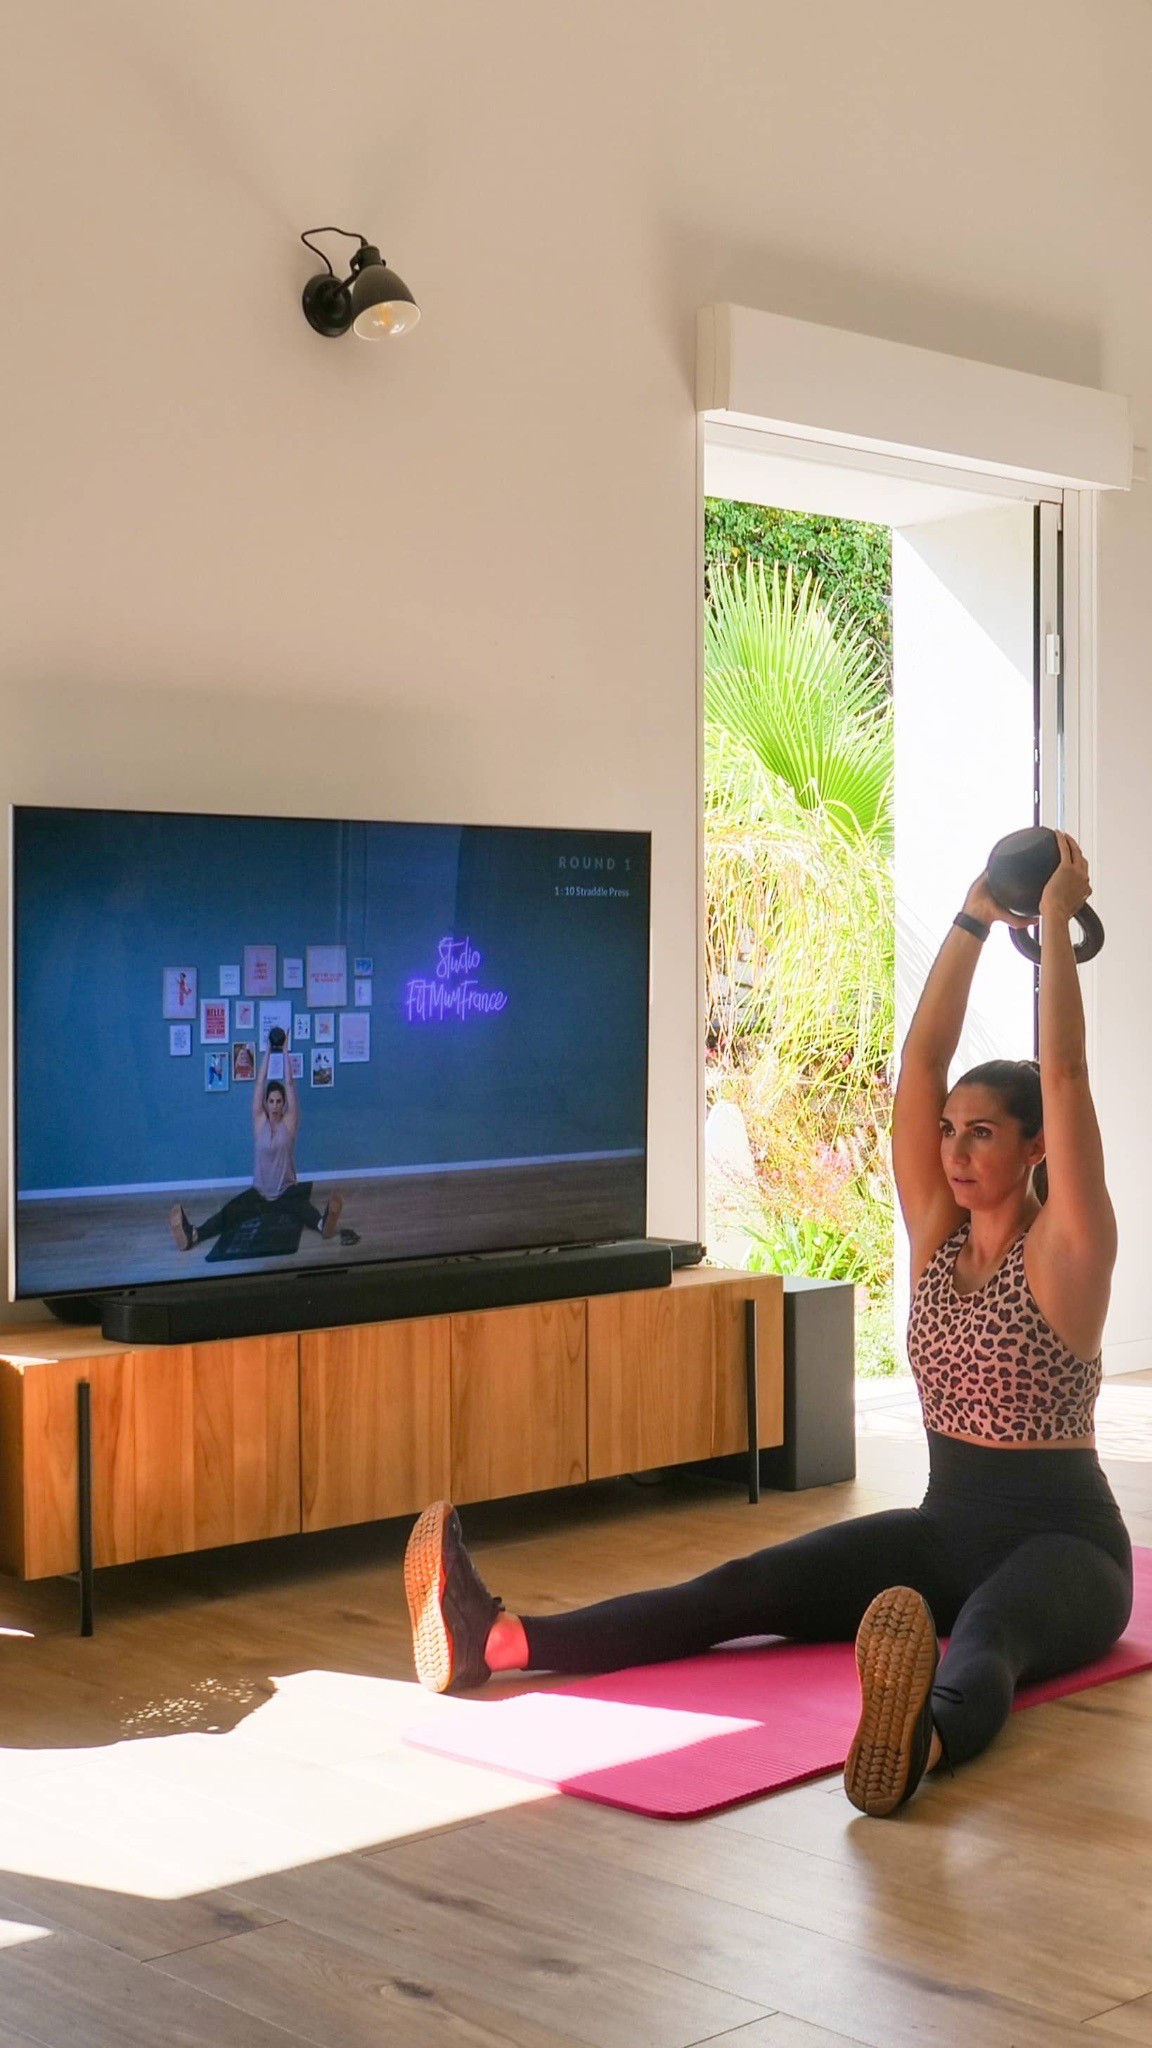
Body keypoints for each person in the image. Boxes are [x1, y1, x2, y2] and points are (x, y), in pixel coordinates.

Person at [403, 832, 1132, 1817]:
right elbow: (918, 1062)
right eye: (951, 1131)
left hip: (1067, 1552)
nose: (954, 1149)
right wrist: (969, 912)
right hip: (941, 1532)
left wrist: (1050, 919)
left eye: (984, 1132)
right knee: (743, 1585)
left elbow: (1071, 1076)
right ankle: (504, 1640)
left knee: (991, 1632)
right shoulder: (936, 1233)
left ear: (1036, 1142)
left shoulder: (1067, 1252)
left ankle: (916, 1738)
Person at [170, 1036, 344, 1252]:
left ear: (284, 1104)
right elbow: (260, 1083)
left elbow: (289, 1083)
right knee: (229, 1212)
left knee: (302, 1208)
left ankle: (323, 1224)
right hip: (259, 1193)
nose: (275, 1106)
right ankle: (193, 1235)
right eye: (271, 1101)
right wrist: (270, 1050)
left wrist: (286, 1051)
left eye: (279, 1101)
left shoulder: (289, 1123)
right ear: (265, 1103)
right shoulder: (259, 1121)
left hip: (286, 1192)